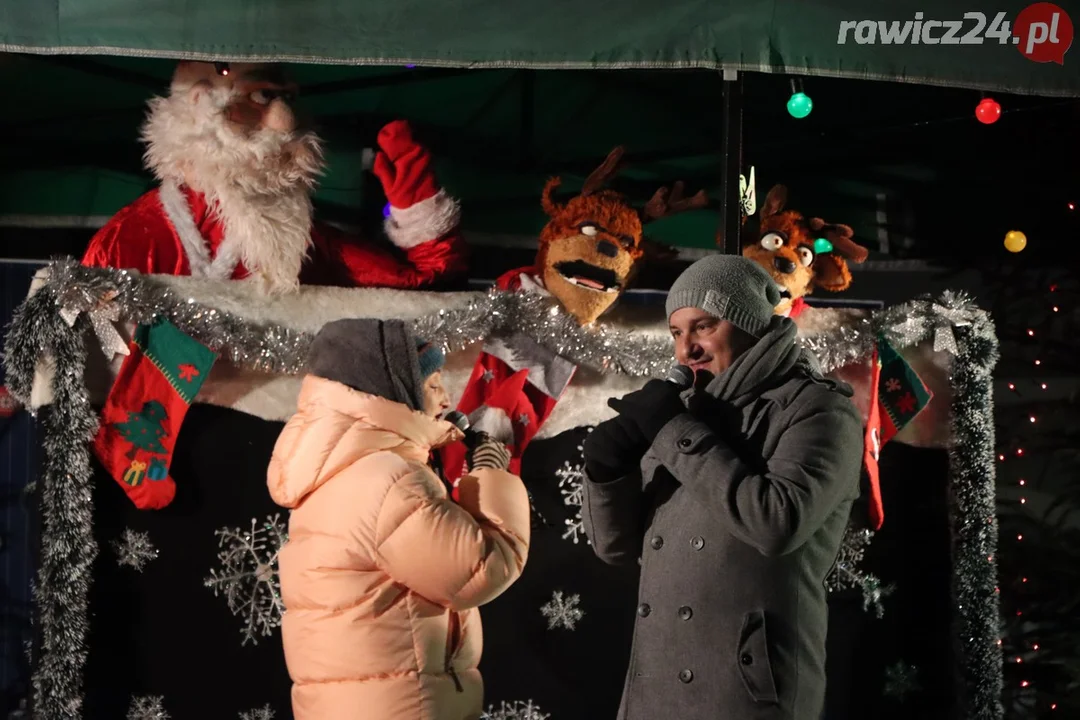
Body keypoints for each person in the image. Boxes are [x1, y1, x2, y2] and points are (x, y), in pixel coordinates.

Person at [581, 255, 863, 720]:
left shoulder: (817, 411)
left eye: (703, 327)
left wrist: (671, 430)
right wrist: (608, 470)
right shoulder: (686, 411)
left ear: (748, 322)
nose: (685, 350)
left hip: (746, 696)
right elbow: (616, 548)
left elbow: (776, 523)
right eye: (676, 332)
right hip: (654, 695)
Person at [268, 318, 530, 719]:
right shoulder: (385, 479)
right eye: (432, 385)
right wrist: (493, 472)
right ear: (392, 392)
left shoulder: (343, 468)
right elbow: (480, 569)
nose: (446, 400)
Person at [83, 61, 468, 292]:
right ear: (200, 104)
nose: (286, 123)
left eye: (289, 99)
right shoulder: (131, 239)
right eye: (261, 97)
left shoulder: (300, 238)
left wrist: (420, 215)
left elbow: (424, 288)